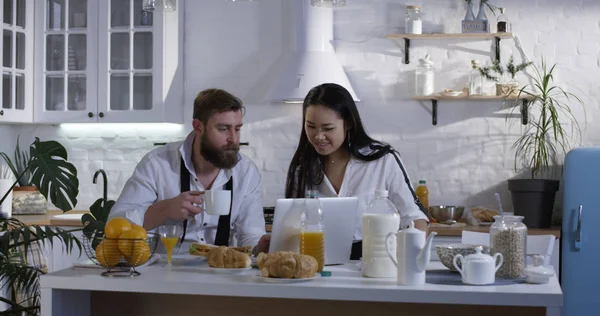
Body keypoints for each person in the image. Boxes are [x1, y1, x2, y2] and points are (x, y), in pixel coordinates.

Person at [109, 88, 270, 255]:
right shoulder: (157, 164)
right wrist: (165, 209)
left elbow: (251, 235)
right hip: (163, 274)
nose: (234, 139)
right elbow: (117, 224)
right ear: (198, 127)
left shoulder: (246, 172)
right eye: (223, 129)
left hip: (223, 274)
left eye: (237, 129)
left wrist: (260, 247)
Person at [284, 83, 429, 259]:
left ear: (349, 124)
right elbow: (290, 227)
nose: (318, 136)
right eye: (311, 126)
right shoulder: (303, 167)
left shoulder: (382, 160)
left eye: (328, 128)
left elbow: (413, 218)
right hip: (316, 263)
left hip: (375, 260)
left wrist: (413, 260)